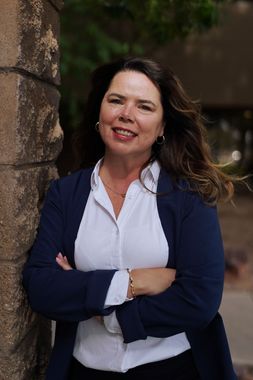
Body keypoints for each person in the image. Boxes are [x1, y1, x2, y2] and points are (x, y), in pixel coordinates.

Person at [22, 56, 238, 380]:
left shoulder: (189, 195)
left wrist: (102, 312)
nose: (126, 114)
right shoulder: (65, 194)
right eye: (116, 100)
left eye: (144, 107)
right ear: (101, 111)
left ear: (163, 126)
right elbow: (41, 287)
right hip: (84, 371)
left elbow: (199, 300)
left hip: (175, 370)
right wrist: (134, 281)